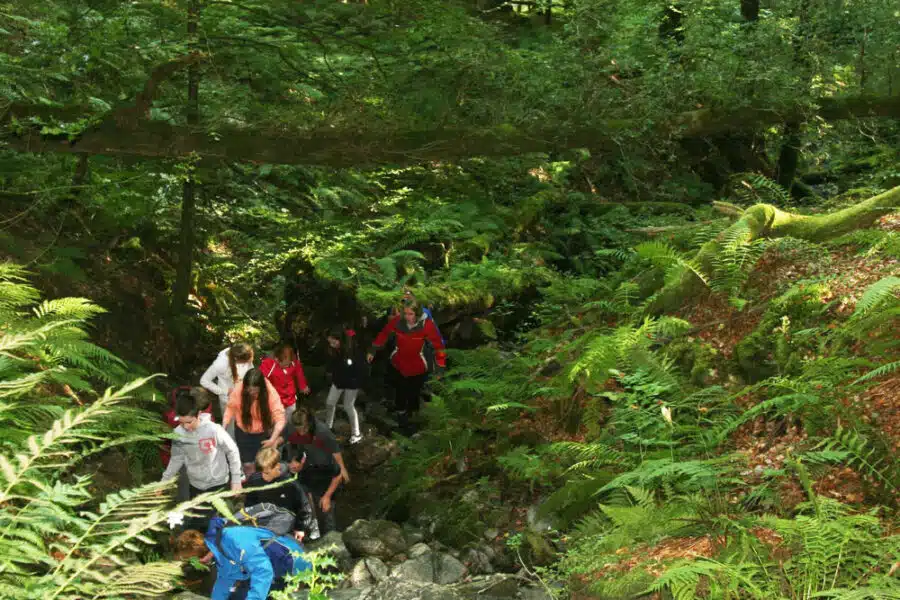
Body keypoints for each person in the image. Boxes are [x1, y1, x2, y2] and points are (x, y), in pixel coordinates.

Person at [161, 394, 242, 528]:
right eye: (181, 422)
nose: (186, 426)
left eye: (189, 422)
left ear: (198, 414)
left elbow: (232, 451)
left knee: (216, 520)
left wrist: (236, 480)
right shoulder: (178, 434)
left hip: (218, 483)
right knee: (201, 519)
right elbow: (176, 458)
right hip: (196, 484)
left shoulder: (214, 430)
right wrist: (164, 481)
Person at [368, 297, 446, 434]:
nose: (408, 317)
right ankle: (402, 419)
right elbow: (384, 334)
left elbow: (438, 346)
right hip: (399, 363)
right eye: (406, 314)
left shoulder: (426, 325)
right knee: (400, 390)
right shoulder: (398, 322)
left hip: (418, 366)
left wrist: (440, 367)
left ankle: (413, 417)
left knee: (413, 391)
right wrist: (373, 350)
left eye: (411, 314)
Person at [175, 521, 311, 600]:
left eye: (193, 559)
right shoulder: (219, 549)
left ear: (200, 553)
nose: (197, 563)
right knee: (236, 596)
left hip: (292, 563)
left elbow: (263, 572)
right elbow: (225, 580)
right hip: (272, 569)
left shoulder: (233, 539)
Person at [288, 406, 346, 535]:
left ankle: (331, 537)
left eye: (303, 430)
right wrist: (296, 462)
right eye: (298, 430)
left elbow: (337, 474)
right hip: (309, 473)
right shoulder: (300, 438)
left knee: (326, 512)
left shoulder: (323, 447)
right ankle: (313, 525)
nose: (300, 433)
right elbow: (295, 449)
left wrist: (327, 496)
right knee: (308, 501)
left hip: (326, 480)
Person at [245, 447, 321, 541]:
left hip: (287, 527)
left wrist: (300, 528)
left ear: (277, 466)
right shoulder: (255, 480)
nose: (264, 477)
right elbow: (250, 503)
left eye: (267, 473)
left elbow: (304, 507)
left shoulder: (290, 484)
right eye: (261, 473)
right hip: (262, 524)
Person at [224, 368, 285, 477]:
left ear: (261, 388)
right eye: (249, 390)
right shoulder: (239, 389)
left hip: (262, 434)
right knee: (247, 465)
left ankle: (260, 484)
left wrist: (272, 439)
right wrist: (223, 427)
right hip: (243, 431)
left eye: (255, 391)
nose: (252, 393)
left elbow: (280, 418)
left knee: (260, 464)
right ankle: (250, 482)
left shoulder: (270, 392)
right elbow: (230, 408)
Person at [201, 343, 255, 438]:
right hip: (228, 400)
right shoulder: (220, 364)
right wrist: (224, 391)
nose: (247, 364)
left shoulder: (243, 353)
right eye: (244, 362)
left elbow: (250, 371)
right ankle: (231, 447)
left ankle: (245, 443)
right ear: (237, 360)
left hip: (244, 396)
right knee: (229, 426)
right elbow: (204, 380)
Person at [260, 342, 310, 444]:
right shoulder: (268, 364)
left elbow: (299, 373)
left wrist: (303, 386)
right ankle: (272, 442)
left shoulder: (293, 362)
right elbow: (260, 380)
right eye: (285, 363)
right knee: (274, 423)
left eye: (289, 362)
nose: (288, 365)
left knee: (290, 421)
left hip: (290, 398)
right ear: (277, 359)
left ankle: (288, 441)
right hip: (275, 400)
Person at [325, 327, 368, 444]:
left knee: (348, 406)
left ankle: (356, 433)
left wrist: (356, 382)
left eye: (334, 341)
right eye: (330, 341)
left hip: (351, 383)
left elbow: (361, 369)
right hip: (338, 382)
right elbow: (332, 366)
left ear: (340, 340)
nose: (332, 343)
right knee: (329, 403)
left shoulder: (353, 351)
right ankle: (328, 428)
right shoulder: (332, 350)